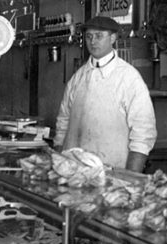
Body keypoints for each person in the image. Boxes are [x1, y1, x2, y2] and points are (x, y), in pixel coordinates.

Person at [53, 15, 156, 172]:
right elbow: (63, 122)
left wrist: (131, 176)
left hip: (112, 171)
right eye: (89, 36)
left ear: (113, 38)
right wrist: (59, 161)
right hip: (73, 171)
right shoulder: (78, 77)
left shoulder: (129, 78)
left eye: (99, 36)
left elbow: (143, 132)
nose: (93, 41)